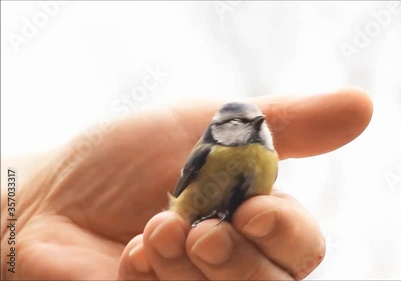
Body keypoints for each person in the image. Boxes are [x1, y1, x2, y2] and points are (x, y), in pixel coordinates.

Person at [1, 89, 373, 280]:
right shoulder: (210, 153)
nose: (256, 127)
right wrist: (18, 214)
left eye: (258, 122)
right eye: (242, 123)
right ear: (220, 130)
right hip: (186, 224)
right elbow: (180, 198)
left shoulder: (268, 161)